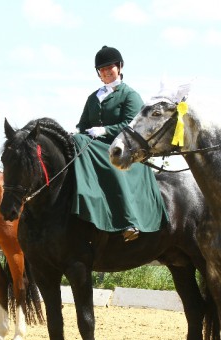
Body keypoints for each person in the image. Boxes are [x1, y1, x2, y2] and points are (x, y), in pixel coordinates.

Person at [71, 46, 169, 242]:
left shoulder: (129, 95)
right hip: (93, 144)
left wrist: (104, 130)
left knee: (84, 144)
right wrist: (79, 133)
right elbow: (82, 125)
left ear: (119, 67)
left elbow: (132, 125)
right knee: (75, 141)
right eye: (102, 70)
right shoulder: (94, 97)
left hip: (124, 148)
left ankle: (129, 220)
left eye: (110, 68)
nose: (106, 72)